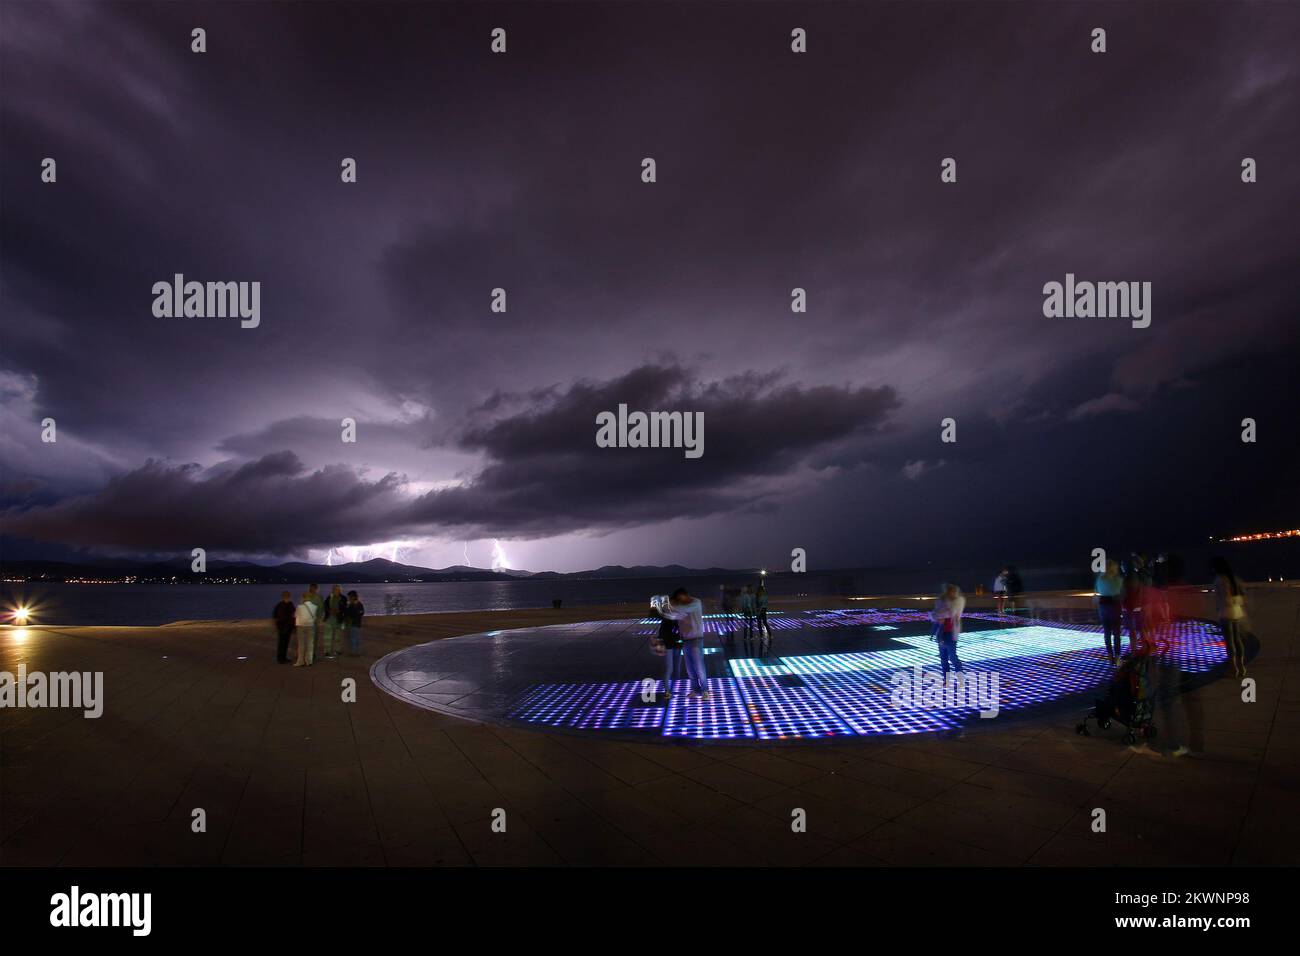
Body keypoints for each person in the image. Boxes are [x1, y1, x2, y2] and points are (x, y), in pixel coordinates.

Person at [659, 587, 709, 699]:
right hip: (686, 641)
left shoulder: (696, 602)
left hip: (696, 639)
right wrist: (668, 608)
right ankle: (696, 690)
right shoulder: (680, 608)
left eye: (680, 598)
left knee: (699, 667)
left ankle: (705, 691)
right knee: (690, 669)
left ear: (685, 595)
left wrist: (670, 606)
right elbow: (671, 614)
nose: (679, 601)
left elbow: (684, 610)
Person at [1211, 557, 1248, 677]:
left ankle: (1233, 669)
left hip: (1225, 614)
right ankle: (1241, 666)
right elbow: (1241, 595)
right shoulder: (1233, 578)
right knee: (1237, 640)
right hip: (1236, 613)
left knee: (1229, 642)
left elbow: (1225, 599)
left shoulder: (1220, 580)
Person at [930, 583, 966, 678]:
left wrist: (941, 615)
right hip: (941, 633)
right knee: (943, 658)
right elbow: (935, 614)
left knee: (952, 657)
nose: (953, 593)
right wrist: (939, 616)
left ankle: (960, 676)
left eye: (954, 591)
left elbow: (952, 613)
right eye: (951, 591)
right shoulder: (941, 601)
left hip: (950, 633)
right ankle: (947, 679)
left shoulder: (957, 601)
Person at [652, 600, 684, 701]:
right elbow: (663, 634)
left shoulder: (675, 619)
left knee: (676, 670)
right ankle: (668, 691)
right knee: (670, 669)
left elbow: (679, 631)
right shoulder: (667, 621)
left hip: (676, 645)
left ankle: (672, 690)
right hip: (670, 646)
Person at [1094, 559, 1124, 663]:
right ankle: (1118, 656)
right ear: (1113, 568)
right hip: (1114, 607)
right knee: (1116, 633)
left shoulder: (1100, 579)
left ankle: (1110, 655)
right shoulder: (1118, 580)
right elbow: (1121, 593)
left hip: (1103, 607)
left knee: (1107, 633)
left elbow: (1097, 592)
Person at [322, 585, 348, 659]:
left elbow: (345, 608)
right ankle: (327, 651)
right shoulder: (329, 598)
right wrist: (329, 610)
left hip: (338, 619)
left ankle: (337, 650)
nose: (336, 590)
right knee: (327, 636)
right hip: (329, 619)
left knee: (338, 636)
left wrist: (338, 611)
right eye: (335, 589)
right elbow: (325, 606)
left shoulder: (343, 598)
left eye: (338, 589)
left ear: (340, 590)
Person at [293, 590, 319, 667]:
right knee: (310, 644)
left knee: (301, 644)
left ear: (303, 597)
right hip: (310, 626)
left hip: (301, 626)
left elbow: (295, 615)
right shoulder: (315, 607)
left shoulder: (299, 607)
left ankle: (300, 661)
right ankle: (309, 661)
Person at [272, 591, 295, 664]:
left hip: (282, 626)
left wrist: (276, 625)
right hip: (285, 626)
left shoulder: (279, 605)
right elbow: (293, 615)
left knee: (283, 642)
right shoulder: (290, 605)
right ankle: (281, 658)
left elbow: (275, 616)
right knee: (283, 642)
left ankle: (282, 657)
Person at [303, 583, 325, 659]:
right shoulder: (307, 596)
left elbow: (321, 609)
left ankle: (311, 654)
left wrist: (319, 618)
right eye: (311, 588)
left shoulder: (318, 597)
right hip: (308, 620)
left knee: (312, 638)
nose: (312, 589)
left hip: (312, 620)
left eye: (313, 588)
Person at [345, 590, 364, 656]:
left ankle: (354, 652)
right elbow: (361, 613)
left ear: (352, 597)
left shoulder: (354, 605)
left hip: (354, 623)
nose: (349, 598)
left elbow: (351, 613)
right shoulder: (358, 604)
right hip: (357, 623)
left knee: (353, 638)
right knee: (356, 638)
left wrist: (349, 607)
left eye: (349, 597)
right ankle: (357, 651)